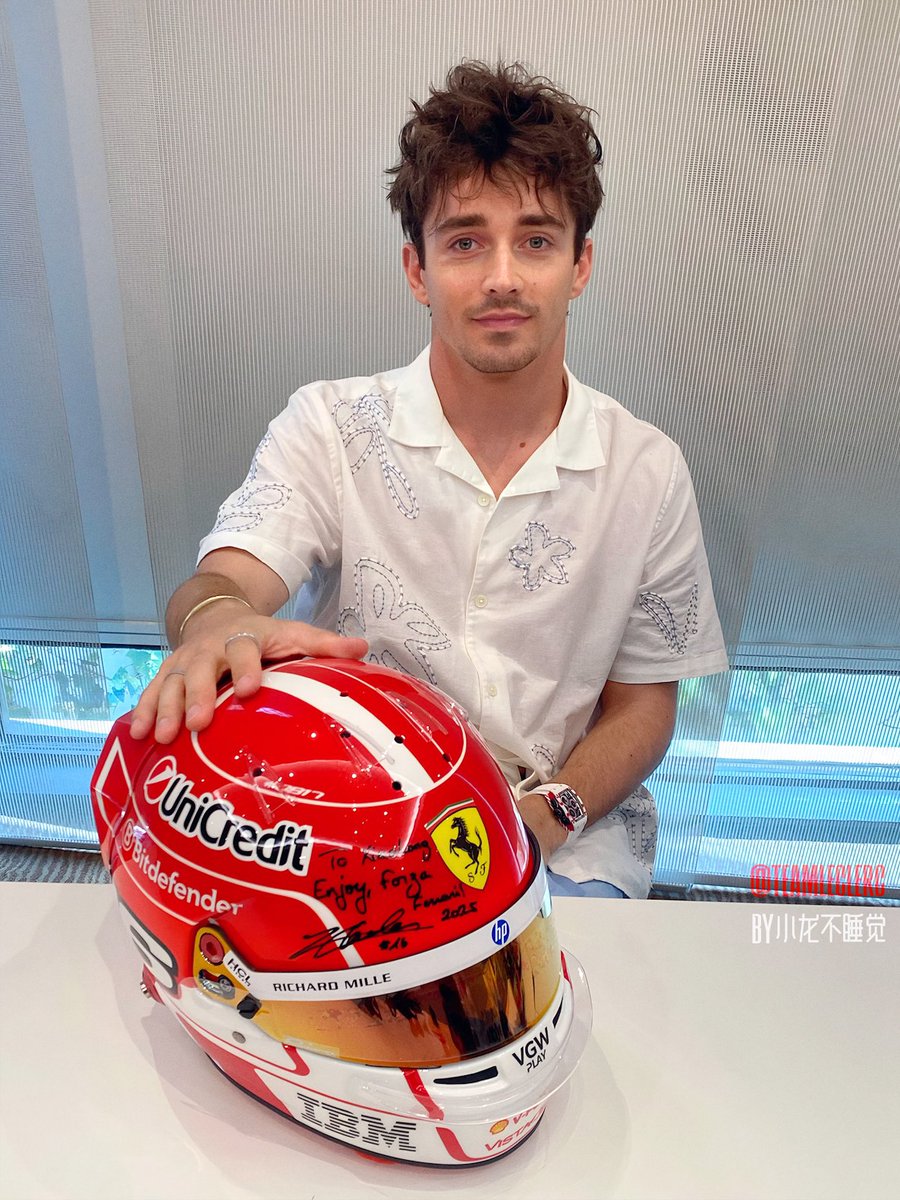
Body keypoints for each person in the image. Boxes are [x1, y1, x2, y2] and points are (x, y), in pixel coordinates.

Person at [129, 61, 729, 898]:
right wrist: (217, 620)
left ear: (580, 265)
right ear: (417, 271)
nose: (502, 278)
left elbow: (643, 706)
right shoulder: (332, 426)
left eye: (537, 240)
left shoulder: (648, 470)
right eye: (464, 241)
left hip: (560, 843)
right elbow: (225, 578)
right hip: (348, 833)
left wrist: (534, 821)